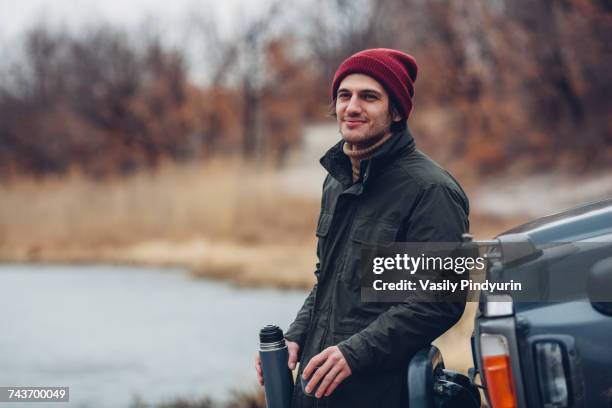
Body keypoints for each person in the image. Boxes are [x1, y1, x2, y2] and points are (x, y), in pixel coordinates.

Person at [255, 48, 469, 408]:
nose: (352, 106)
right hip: (314, 391)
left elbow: (440, 302)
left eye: (369, 97)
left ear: (396, 111)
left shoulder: (431, 190)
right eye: (344, 95)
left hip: (381, 393)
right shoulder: (337, 182)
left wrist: (354, 353)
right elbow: (329, 281)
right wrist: (294, 337)